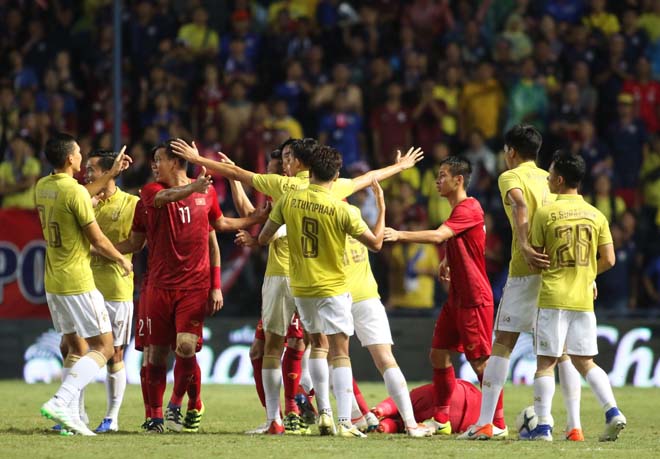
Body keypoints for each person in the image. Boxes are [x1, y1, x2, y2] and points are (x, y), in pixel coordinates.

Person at [171, 137, 423, 435]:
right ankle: (341, 417)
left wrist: (198, 160)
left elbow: (239, 176)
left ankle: (278, 418)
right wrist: (399, 167)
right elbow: (369, 179)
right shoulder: (337, 192)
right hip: (328, 284)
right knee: (326, 349)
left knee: (277, 347)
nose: (285, 163)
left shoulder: (284, 190)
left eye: (289, 157)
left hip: (289, 278)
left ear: (303, 163)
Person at [118, 139, 268, 433]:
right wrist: (105, 250)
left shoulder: (206, 192)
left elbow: (220, 225)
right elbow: (165, 199)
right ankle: (154, 417)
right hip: (158, 286)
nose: (153, 166)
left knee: (186, 346)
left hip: (194, 286)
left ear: (175, 162)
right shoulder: (150, 191)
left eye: (158, 160)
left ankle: (182, 403)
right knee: (156, 354)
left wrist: (254, 219)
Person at [460, 125, 583, 441]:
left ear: (511, 151)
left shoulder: (510, 176)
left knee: (503, 342)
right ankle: (572, 426)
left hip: (525, 270)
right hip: (556, 271)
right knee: (560, 351)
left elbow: (519, 204)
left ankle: (486, 422)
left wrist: (525, 244)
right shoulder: (550, 179)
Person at [258, 145, 385, 438]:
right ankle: (344, 421)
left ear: (310, 171)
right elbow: (377, 243)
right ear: (336, 175)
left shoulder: (288, 199)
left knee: (317, 345)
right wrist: (382, 211)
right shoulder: (343, 208)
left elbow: (264, 238)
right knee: (340, 353)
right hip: (332, 287)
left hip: (302, 288)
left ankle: (324, 413)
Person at [383, 156, 495, 437]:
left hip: (474, 297)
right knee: (439, 353)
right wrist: (448, 259)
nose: (437, 180)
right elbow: (464, 242)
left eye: (443, 175)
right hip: (456, 298)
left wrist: (399, 234)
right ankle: (442, 419)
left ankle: (497, 422)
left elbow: (437, 236)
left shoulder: (469, 207)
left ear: (459, 180)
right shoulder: (458, 211)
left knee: (480, 362)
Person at [37, 133, 133, 436]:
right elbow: (99, 240)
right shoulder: (76, 193)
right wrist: (121, 259)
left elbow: (78, 194)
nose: (81, 156)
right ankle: (61, 401)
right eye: (79, 152)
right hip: (77, 280)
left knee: (76, 347)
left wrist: (111, 173)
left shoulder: (43, 186)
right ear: (70, 158)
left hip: (53, 281)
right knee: (104, 347)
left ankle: (73, 416)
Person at [528, 150, 626, 442]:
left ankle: (543, 427)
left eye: (550, 174)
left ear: (559, 180)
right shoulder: (596, 215)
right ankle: (612, 411)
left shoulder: (545, 213)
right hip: (583, 299)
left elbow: (535, 259)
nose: (547, 178)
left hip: (553, 297)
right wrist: (589, 276)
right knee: (586, 362)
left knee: (546, 363)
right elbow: (609, 259)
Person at [84, 149, 139, 433]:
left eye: (91, 170)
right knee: (77, 348)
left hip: (117, 288)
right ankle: (76, 414)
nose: (86, 175)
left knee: (115, 353)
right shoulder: (83, 200)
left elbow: (136, 243)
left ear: (108, 172)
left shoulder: (131, 203)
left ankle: (111, 418)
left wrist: (100, 250)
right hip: (84, 285)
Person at [373, 380, 481, 434]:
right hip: (461, 424)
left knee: (406, 400)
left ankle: (380, 410)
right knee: (400, 425)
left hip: (454, 392)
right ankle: (383, 426)